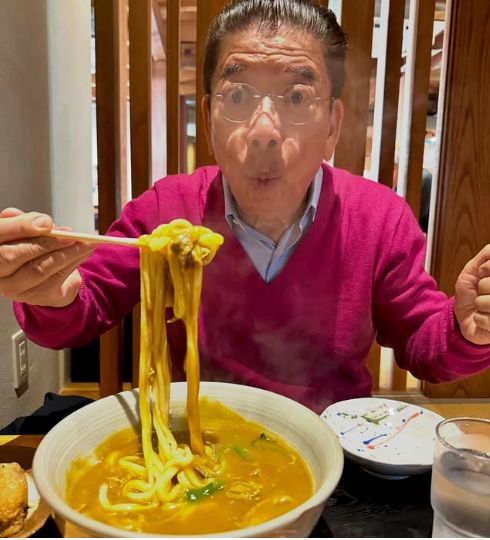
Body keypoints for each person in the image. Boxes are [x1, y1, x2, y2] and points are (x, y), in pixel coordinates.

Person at [1, 0, 490, 414]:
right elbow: (85, 306)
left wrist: (466, 329)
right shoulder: (168, 209)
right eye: (237, 95)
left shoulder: (379, 218)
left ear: (332, 126)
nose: (263, 131)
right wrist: (50, 293)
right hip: (195, 443)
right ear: (210, 119)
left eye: (296, 95)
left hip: (331, 452)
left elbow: (424, 346)